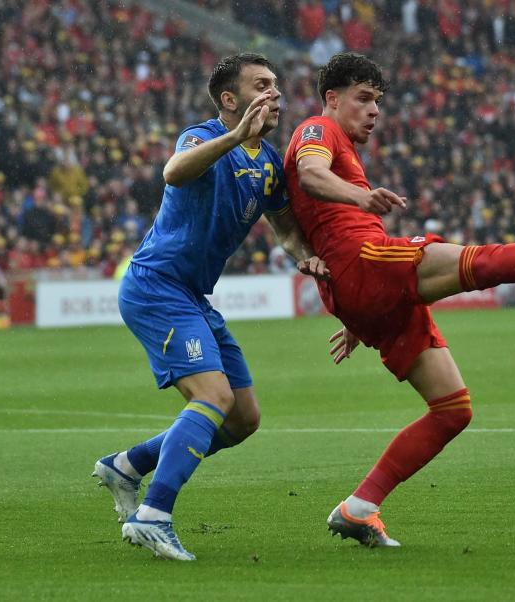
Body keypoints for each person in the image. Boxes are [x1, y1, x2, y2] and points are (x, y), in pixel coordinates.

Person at [283, 52, 515, 547]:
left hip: (364, 286)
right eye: (363, 99)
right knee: (482, 262)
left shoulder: (345, 143)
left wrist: (359, 309)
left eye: (378, 102)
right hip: (363, 260)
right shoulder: (316, 130)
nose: (374, 111)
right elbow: (310, 175)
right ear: (332, 98)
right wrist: (360, 201)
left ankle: (359, 507)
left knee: (452, 409)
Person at [91, 53, 327, 561]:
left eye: (276, 85)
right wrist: (235, 134)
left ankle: (127, 465)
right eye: (262, 85)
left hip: (192, 296)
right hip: (156, 286)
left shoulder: (268, 163)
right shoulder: (201, 137)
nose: (275, 93)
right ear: (229, 99)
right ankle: (153, 514)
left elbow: (285, 226)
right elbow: (175, 172)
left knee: (242, 418)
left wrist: (305, 256)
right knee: (213, 396)